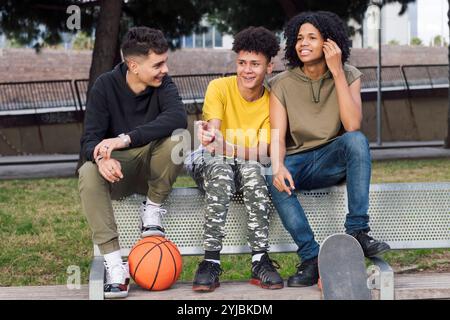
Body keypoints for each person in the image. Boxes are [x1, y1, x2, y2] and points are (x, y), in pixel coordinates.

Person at [267, 11, 391, 288]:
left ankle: (357, 230)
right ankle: (311, 259)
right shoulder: (281, 83)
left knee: (356, 140)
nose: (303, 43)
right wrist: (278, 166)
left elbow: (352, 124)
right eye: (299, 38)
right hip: (299, 161)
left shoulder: (349, 75)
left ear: (329, 42)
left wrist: (336, 72)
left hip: (333, 157)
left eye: (312, 37)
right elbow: (277, 135)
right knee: (272, 179)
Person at [78, 26, 187, 298]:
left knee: (179, 138)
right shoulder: (104, 86)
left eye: (165, 62)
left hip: (152, 169)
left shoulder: (163, 84)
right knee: (88, 173)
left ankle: (152, 210)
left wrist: (124, 139)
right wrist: (101, 158)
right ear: (133, 65)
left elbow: (177, 119)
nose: (165, 69)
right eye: (158, 64)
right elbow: (89, 141)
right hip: (119, 173)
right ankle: (116, 266)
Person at [185, 26, 283, 292]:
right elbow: (213, 137)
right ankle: (210, 260)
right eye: (242, 63)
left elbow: (263, 152)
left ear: (269, 67)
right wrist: (209, 135)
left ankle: (260, 260)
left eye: (255, 64)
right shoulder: (219, 87)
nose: (247, 70)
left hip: (244, 163)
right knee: (220, 168)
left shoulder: (272, 101)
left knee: (252, 169)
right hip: (210, 161)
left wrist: (227, 145)